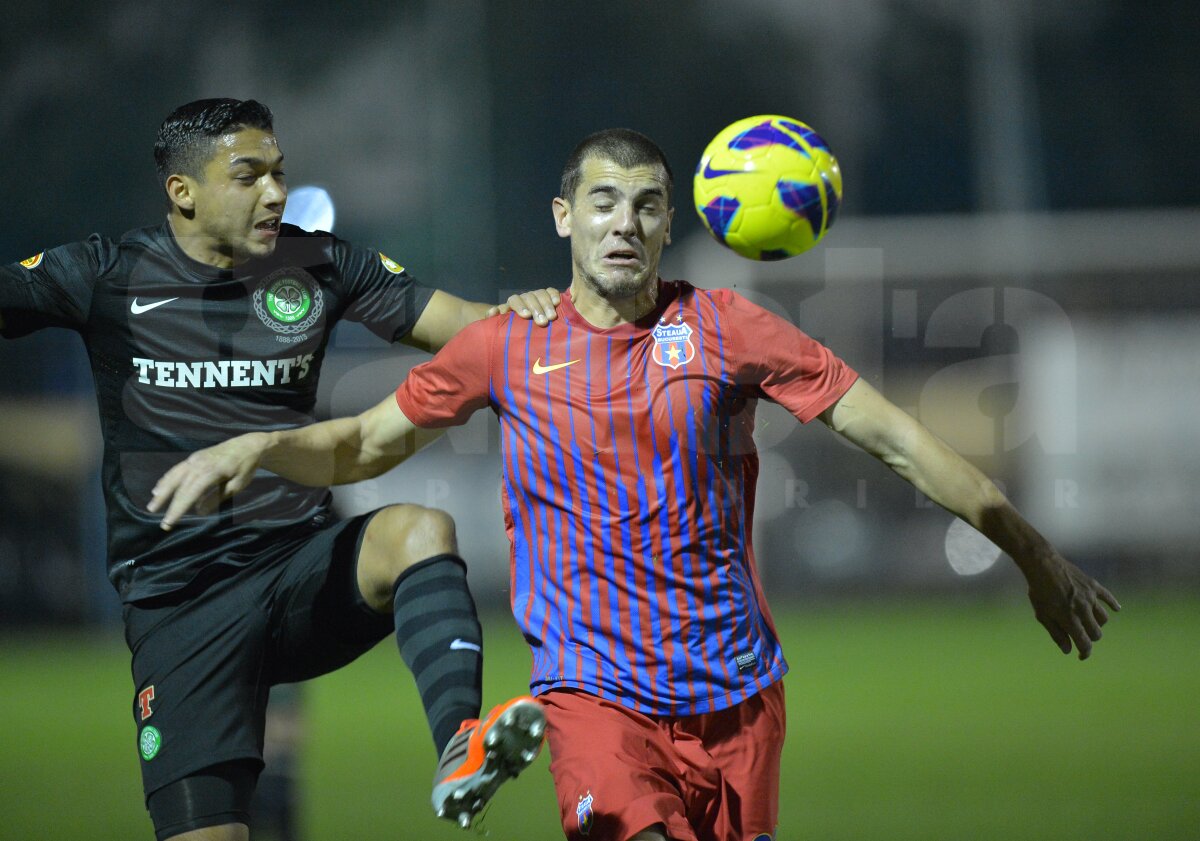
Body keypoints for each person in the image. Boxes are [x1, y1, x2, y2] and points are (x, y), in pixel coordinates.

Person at [148, 127, 1121, 841]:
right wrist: (259, 449)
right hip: (593, 699)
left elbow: (899, 441)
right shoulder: (508, 346)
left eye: (649, 204)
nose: (627, 223)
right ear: (567, 216)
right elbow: (364, 443)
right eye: (605, 202)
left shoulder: (731, 330)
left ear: (672, 223)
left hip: (741, 700)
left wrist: (1033, 556)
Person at [0, 98, 562, 840]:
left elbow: (473, 333)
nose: (274, 192)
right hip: (180, 606)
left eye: (279, 173)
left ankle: (462, 748)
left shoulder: (316, 264)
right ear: (183, 192)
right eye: (249, 176)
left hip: (295, 568)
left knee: (418, 529)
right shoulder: (106, 272)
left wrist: (540, 314)